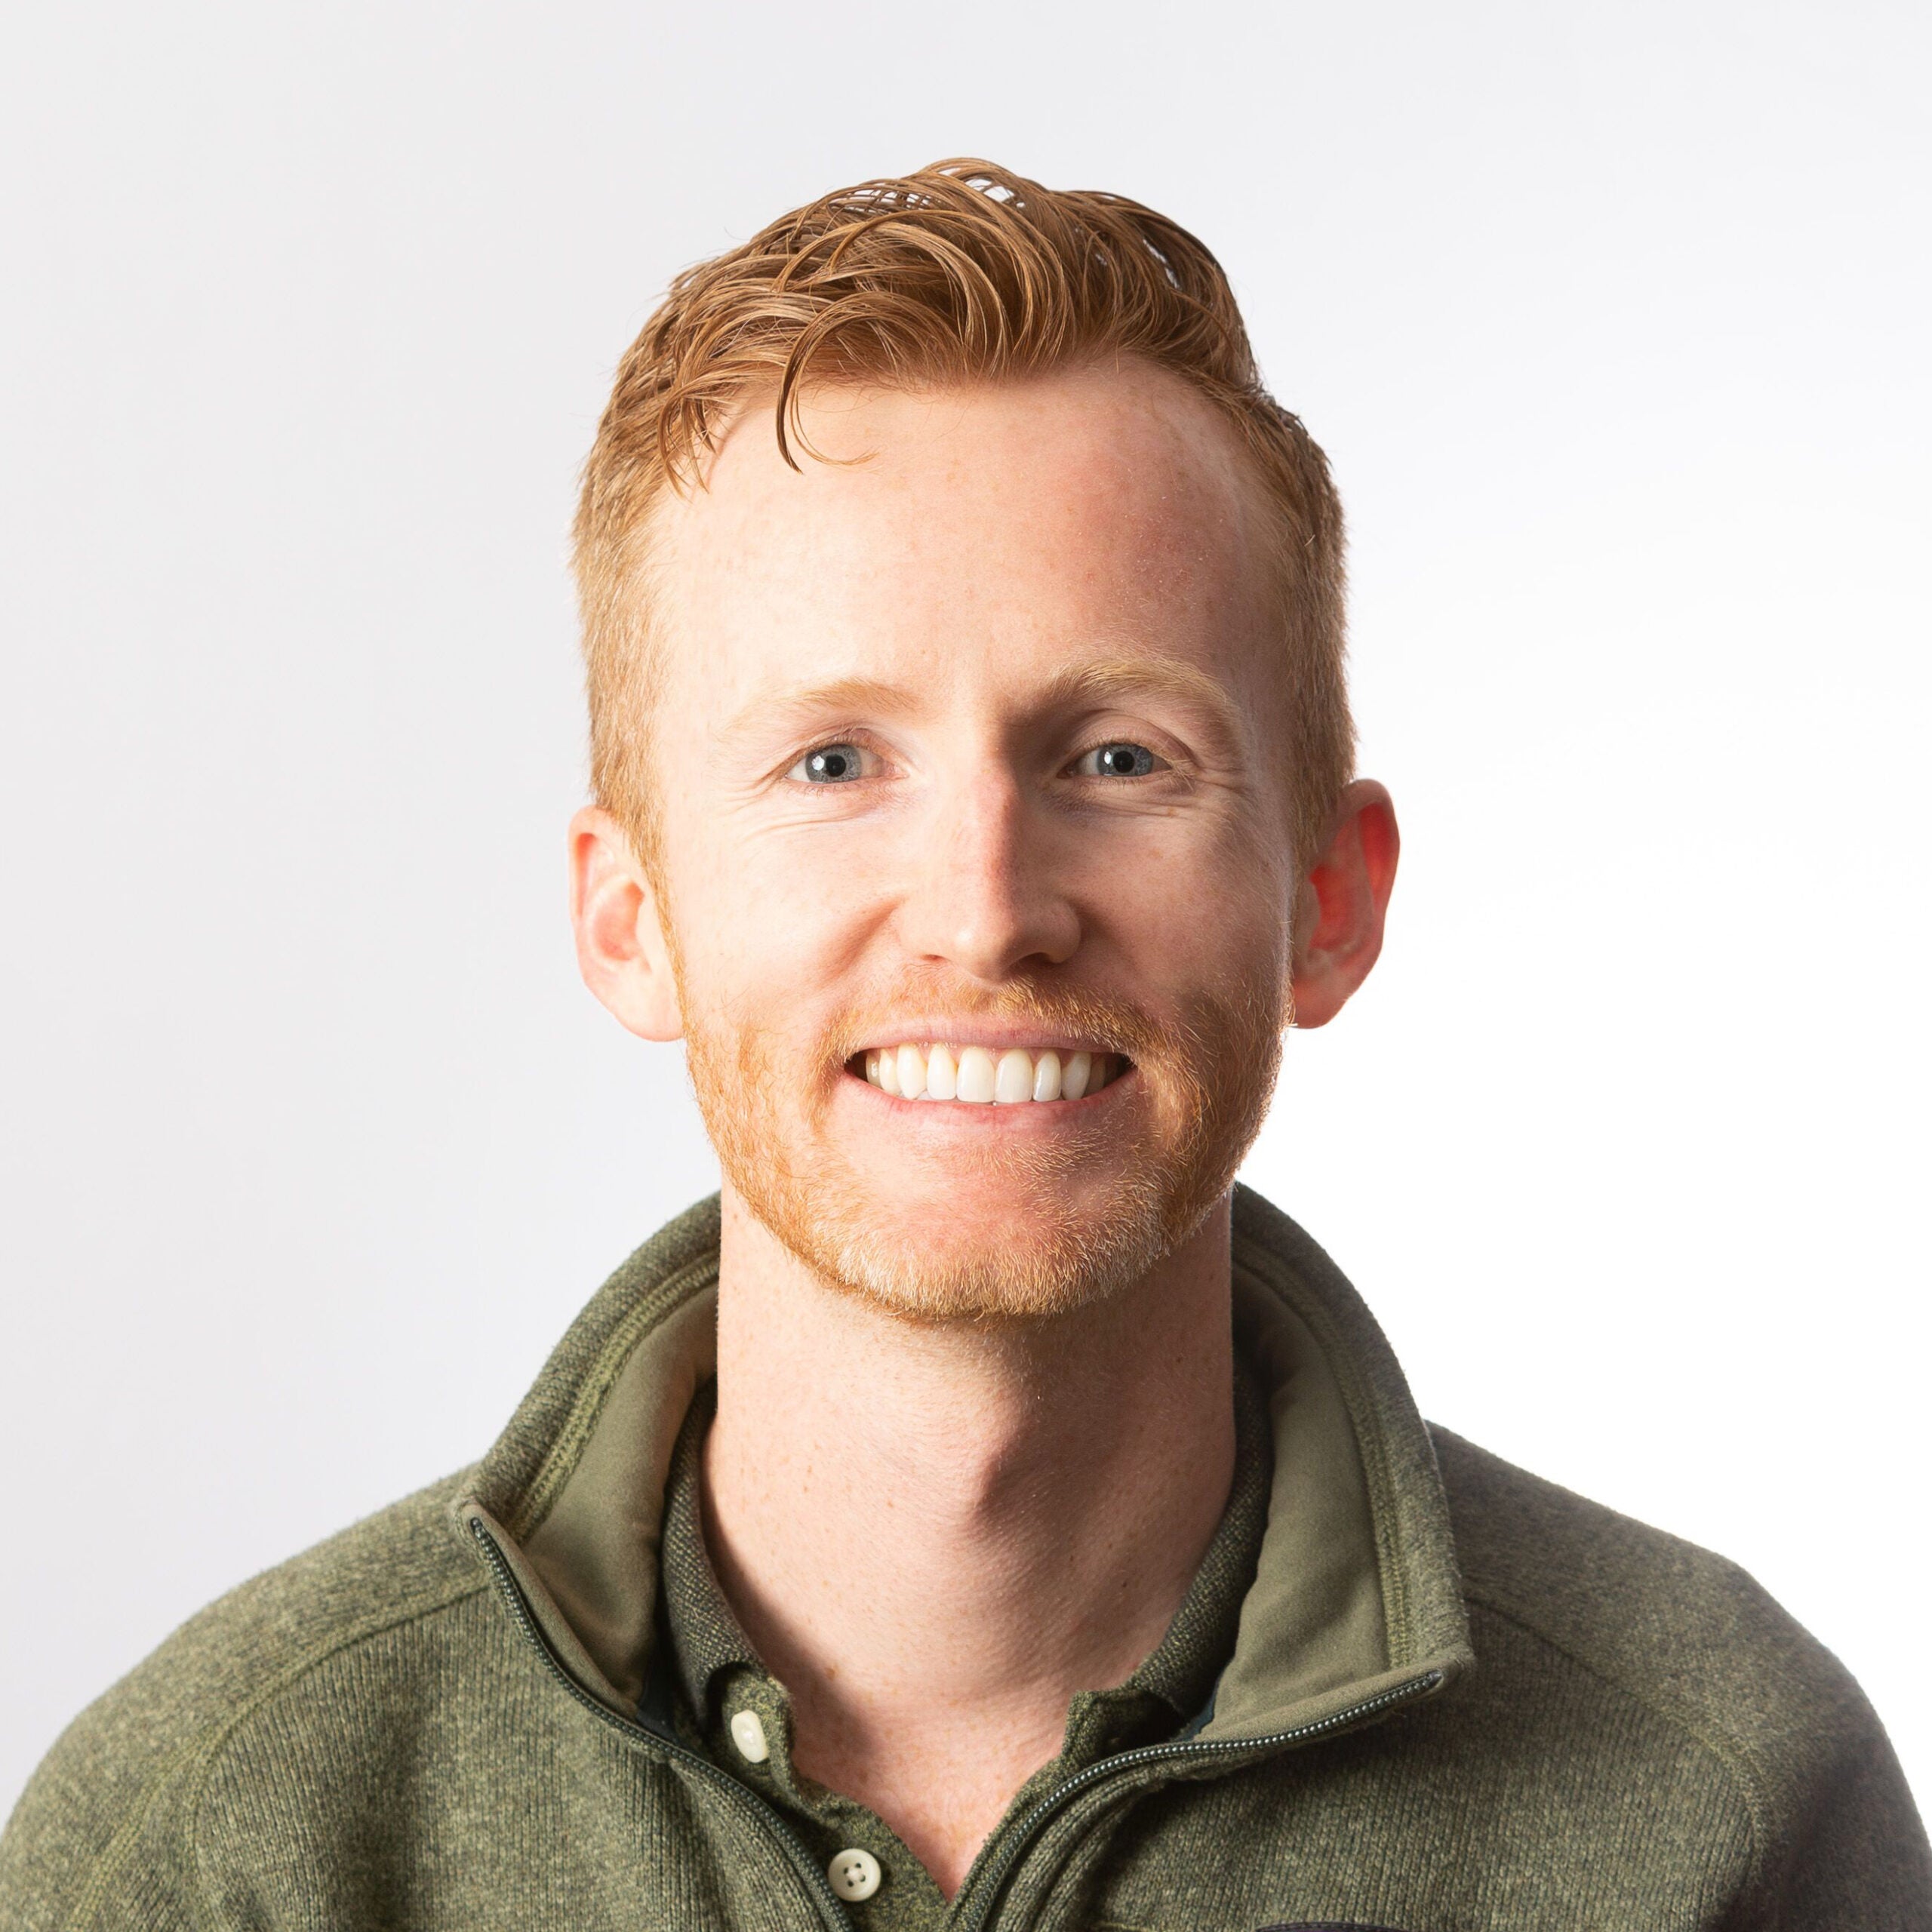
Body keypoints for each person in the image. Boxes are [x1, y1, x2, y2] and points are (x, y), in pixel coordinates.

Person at [2, 158, 1925, 1932]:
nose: (985, 908)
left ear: (1326, 897)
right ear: (628, 914)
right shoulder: (221, 1841)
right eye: (833, 760)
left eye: (1119, 757)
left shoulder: (1721, 1803)